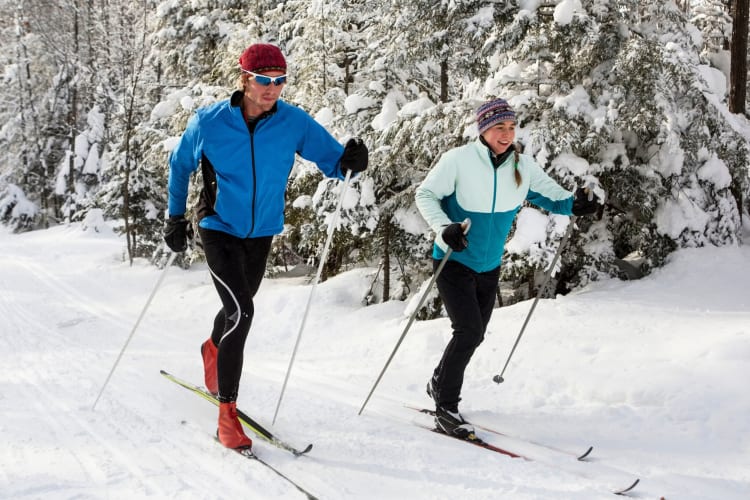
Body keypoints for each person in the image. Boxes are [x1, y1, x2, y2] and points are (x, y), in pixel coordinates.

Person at [163, 43, 369, 450]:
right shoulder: (211, 122)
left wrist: (352, 160)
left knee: (234, 309)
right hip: (218, 224)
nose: (272, 88)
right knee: (243, 309)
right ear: (245, 79)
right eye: (264, 80)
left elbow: (334, 161)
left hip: (261, 231)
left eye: (279, 81)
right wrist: (173, 217)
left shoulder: (293, 122)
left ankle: (212, 348)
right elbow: (181, 164)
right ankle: (227, 415)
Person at [414, 98, 599, 438]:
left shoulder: (521, 165)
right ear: (483, 129)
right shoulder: (458, 160)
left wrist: (578, 203)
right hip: (453, 259)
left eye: (512, 127)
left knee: (477, 333)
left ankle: (439, 380)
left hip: (489, 264)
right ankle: (446, 406)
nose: (507, 133)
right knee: (468, 330)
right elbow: (425, 195)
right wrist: (445, 228)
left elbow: (555, 197)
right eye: (500, 127)